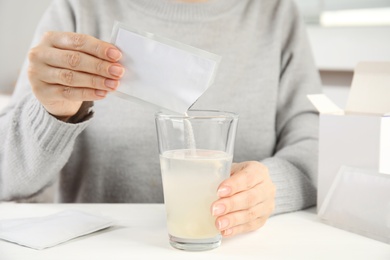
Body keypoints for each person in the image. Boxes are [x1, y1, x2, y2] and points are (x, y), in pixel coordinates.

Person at [0, 0, 321, 238]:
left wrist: (269, 189)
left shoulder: (276, 13)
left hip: (239, 247)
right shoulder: (79, 9)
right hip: (103, 250)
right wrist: (52, 114)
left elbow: (315, 143)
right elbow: (6, 178)